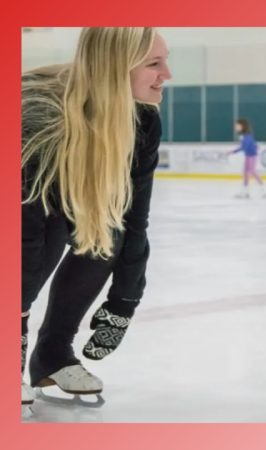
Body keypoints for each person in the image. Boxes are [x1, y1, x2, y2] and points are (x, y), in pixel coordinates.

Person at [21, 27, 171, 406]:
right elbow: (23, 234)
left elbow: (134, 218)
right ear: (115, 67)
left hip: (54, 186)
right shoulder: (38, 118)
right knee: (43, 242)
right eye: (155, 64)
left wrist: (125, 298)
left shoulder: (142, 122)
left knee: (105, 233)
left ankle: (53, 355)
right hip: (23, 193)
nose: (166, 74)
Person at [228, 118, 266, 199]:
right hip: (248, 155)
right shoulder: (244, 135)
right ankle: (245, 192)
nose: (236, 127)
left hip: (251, 156)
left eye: (237, 125)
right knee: (246, 173)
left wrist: (233, 151)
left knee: (252, 171)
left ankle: (264, 189)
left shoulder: (246, 135)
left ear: (242, 126)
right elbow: (249, 145)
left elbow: (244, 146)